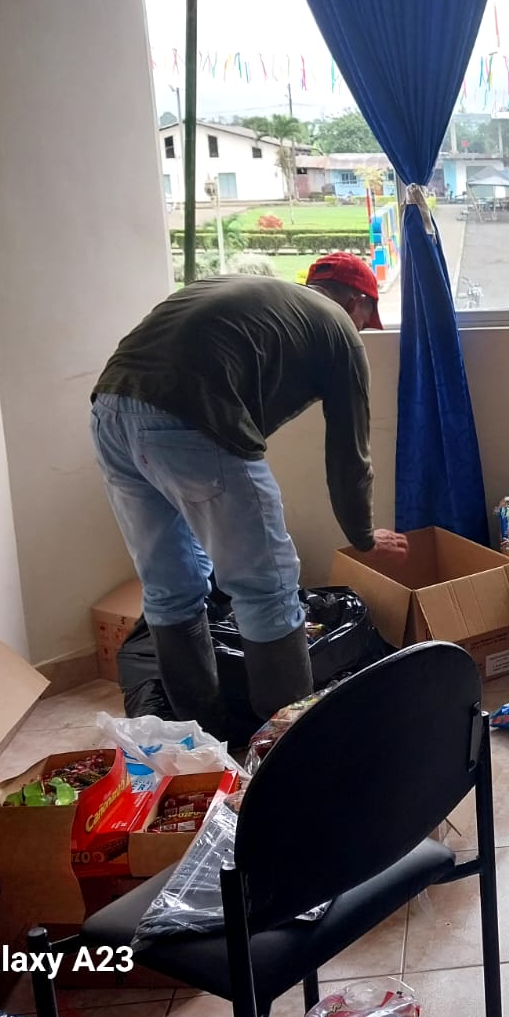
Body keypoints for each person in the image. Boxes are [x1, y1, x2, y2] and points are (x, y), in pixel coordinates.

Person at [90, 253, 407, 741]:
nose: (364, 329)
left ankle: (201, 734)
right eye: (368, 317)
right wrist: (363, 537)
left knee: (170, 586)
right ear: (356, 302)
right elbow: (349, 453)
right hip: (189, 415)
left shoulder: (263, 302)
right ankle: (288, 747)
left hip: (110, 411)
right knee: (267, 587)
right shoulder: (338, 328)